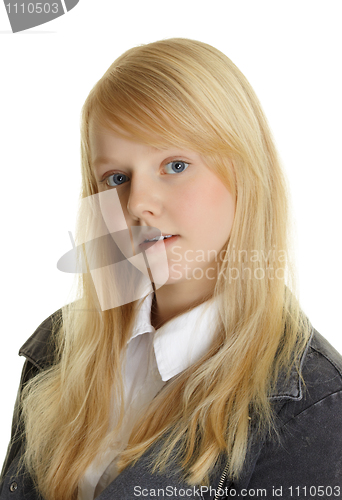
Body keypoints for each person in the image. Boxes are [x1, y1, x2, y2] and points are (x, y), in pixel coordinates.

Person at [1, 38, 341, 500]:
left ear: (245, 172)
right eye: (116, 178)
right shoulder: (60, 348)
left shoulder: (314, 404)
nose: (138, 204)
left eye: (175, 165)